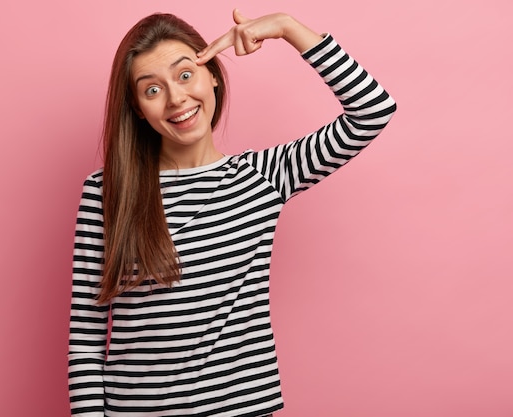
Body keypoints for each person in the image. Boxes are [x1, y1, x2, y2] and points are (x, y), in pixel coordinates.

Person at [68, 9, 396, 417]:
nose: (176, 99)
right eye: (152, 90)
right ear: (137, 108)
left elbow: (373, 111)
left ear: (214, 77)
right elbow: (86, 333)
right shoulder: (106, 192)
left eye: (186, 75)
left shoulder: (263, 177)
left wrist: (288, 28)